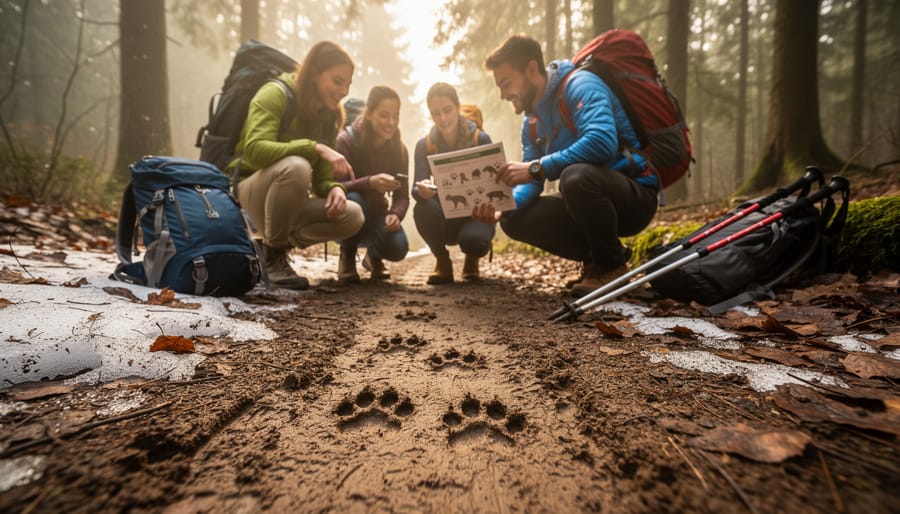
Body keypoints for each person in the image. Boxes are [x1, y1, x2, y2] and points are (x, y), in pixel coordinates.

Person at [476, 34, 659, 297]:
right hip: (588, 198)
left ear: (531, 69)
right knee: (514, 218)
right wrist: (503, 207)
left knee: (575, 177)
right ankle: (601, 258)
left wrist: (537, 167)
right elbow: (532, 179)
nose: (503, 95)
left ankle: (612, 268)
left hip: (634, 193)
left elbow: (602, 141)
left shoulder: (580, 85)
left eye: (506, 84)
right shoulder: (532, 123)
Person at [230, 41, 364, 290]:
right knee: (297, 166)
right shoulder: (275, 93)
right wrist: (313, 147)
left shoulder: (328, 117)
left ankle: (273, 246)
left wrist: (335, 189)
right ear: (314, 73)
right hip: (246, 195)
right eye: (337, 81)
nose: (344, 90)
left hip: (284, 202)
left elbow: (321, 180)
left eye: (347, 84)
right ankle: (273, 256)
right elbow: (254, 149)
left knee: (353, 215)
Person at [412, 82, 495, 284]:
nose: (443, 118)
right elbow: (416, 187)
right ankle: (442, 260)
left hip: (475, 214)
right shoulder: (425, 145)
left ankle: (472, 258)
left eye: (448, 110)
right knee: (422, 209)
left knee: (474, 241)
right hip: (443, 214)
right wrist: (421, 190)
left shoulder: (480, 139)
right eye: (436, 113)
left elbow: (494, 184)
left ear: (457, 107)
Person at [334, 86, 410, 282]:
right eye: (384, 115)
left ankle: (374, 256)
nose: (391, 123)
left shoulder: (399, 149)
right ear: (368, 114)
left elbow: (402, 195)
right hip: (346, 213)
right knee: (354, 200)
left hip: (377, 214)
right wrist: (370, 183)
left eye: (396, 116)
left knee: (399, 248)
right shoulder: (346, 141)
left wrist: (395, 214)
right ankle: (347, 254)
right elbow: (336, 186)